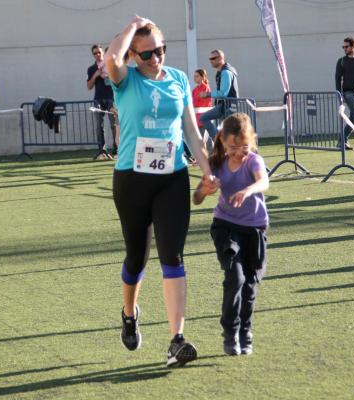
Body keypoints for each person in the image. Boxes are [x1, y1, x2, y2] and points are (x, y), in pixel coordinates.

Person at [105, 15, 217, 368]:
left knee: (173, 256)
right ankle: (129, 313)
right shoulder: (125, 81)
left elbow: (192, 132)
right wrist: (130, 26)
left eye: (161, 51)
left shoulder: (180, 80)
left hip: (172, 178)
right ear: (134, 56)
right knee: (137, 258)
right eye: (148, 54)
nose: (156, 59)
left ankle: (176, 340)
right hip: (131, 180)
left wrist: (208, 172)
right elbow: (111, 60)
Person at [193, 112, 269, 356]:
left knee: (249, 284)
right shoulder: (216, 163)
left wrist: (247, 191)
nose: (239, 152)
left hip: (254, 228)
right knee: (234, 278)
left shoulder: (253, 161)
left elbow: (264, 182)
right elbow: (195, 199)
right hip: (225, 226)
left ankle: (245, 331)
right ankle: (230, 332)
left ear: (252, 142)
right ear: (223, 142)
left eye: (245, 146)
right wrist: (205, 190)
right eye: (233, 147)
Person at [199, 49, 239, 141]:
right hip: (225, 106)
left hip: (228, 106)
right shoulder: (222, 72)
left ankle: (218, 140)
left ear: (221, 58)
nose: (211, 61)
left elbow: (223, 93)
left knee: (204, 118)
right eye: (210, 59)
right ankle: (219, 141)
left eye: (213, 58)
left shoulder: (226, 72)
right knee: (227, 134)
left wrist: (207, 94)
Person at [87, 44, 117, 160]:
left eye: (99, 52)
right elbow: (89, 86)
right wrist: (95, 75)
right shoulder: (91, 69)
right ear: (93, 55)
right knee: (99, 126)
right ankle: (102, 150)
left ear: (103, 53)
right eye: (95, 53)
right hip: (98, 99)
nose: (98, 55)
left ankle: (116, 150)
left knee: (114, 125)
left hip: (111, 98)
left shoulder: (110, 65)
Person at [190, 69, 212, 157]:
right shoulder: (195, 90)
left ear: (203, 77)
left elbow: (205, 103)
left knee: (203, 140)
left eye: (197, 76)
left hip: (204, 118)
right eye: (194, 76)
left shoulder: (205, 88)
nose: (194, 78)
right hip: (196, 119)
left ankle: (208, 157)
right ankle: (209, 157)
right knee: (204, 140)